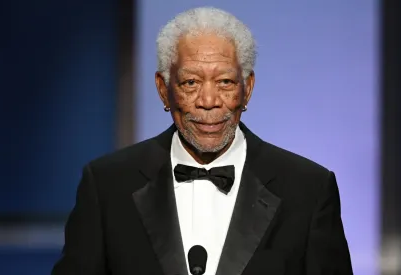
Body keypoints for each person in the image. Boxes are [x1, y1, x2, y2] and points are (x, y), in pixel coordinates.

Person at [52, 6, 353, 275]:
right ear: (163, 89)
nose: (208, 101)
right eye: (191, 83)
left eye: (225, 82)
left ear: (246, 89)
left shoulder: (307, 190)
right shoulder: (107, 186)